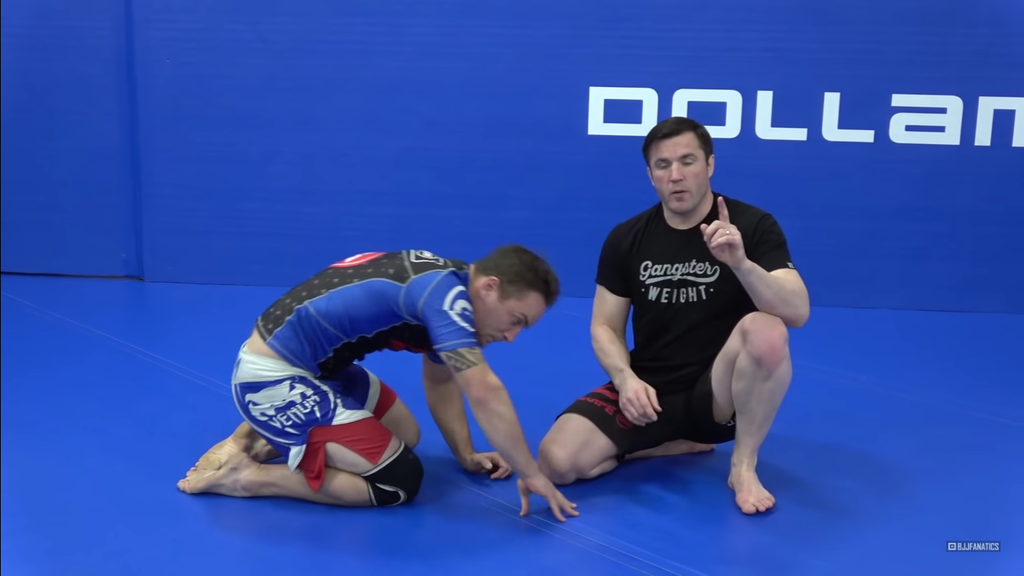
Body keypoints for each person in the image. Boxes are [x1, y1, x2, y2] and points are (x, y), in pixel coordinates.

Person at [177, 246, 579, 522]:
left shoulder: (451, 283)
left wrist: (466, 454)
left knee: (406, 434)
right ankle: (245, 477)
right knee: (398, 480)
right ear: (489, 287)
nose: (511, 337)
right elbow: (484, 391)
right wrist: (531, 473)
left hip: (318, 370)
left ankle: (259, 436)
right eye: (516, 320)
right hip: (271, 376)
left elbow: (441, 379)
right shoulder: (445, 299)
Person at [537, 117, 810, 515]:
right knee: (556, 462)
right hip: (651, 391)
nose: (676, 175)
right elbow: (604, 326)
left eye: (687, 161)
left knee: (766, 329)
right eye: (663, 165)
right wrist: (626, 380)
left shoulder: (751, 225)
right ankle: (666, 442)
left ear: (710, 164)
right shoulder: (627, 238)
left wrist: (741, 264)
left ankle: (743, 466)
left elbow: (798, 311)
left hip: (719, 394)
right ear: (650, 175)